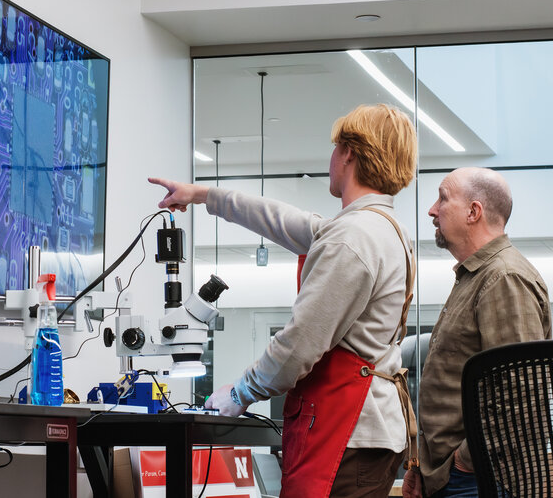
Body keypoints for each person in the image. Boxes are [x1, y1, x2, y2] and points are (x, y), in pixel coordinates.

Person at [151, 103, 418, 497]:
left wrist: (240, 393)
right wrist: (204, 195)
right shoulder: (379, 229)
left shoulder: (352, 239)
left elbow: (300, 344)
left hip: (346, 433)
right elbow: (280, 218)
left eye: (334, 148)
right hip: (364, 433)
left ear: (348, 152)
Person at [403, 167, 552, 498]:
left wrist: (463, 462)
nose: (432, 209)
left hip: (479, 479)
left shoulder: (503, 278)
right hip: (453, 475)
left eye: (443, 198)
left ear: (474, 212)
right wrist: (424, 466)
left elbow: (522, 396)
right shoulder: (476, 277)